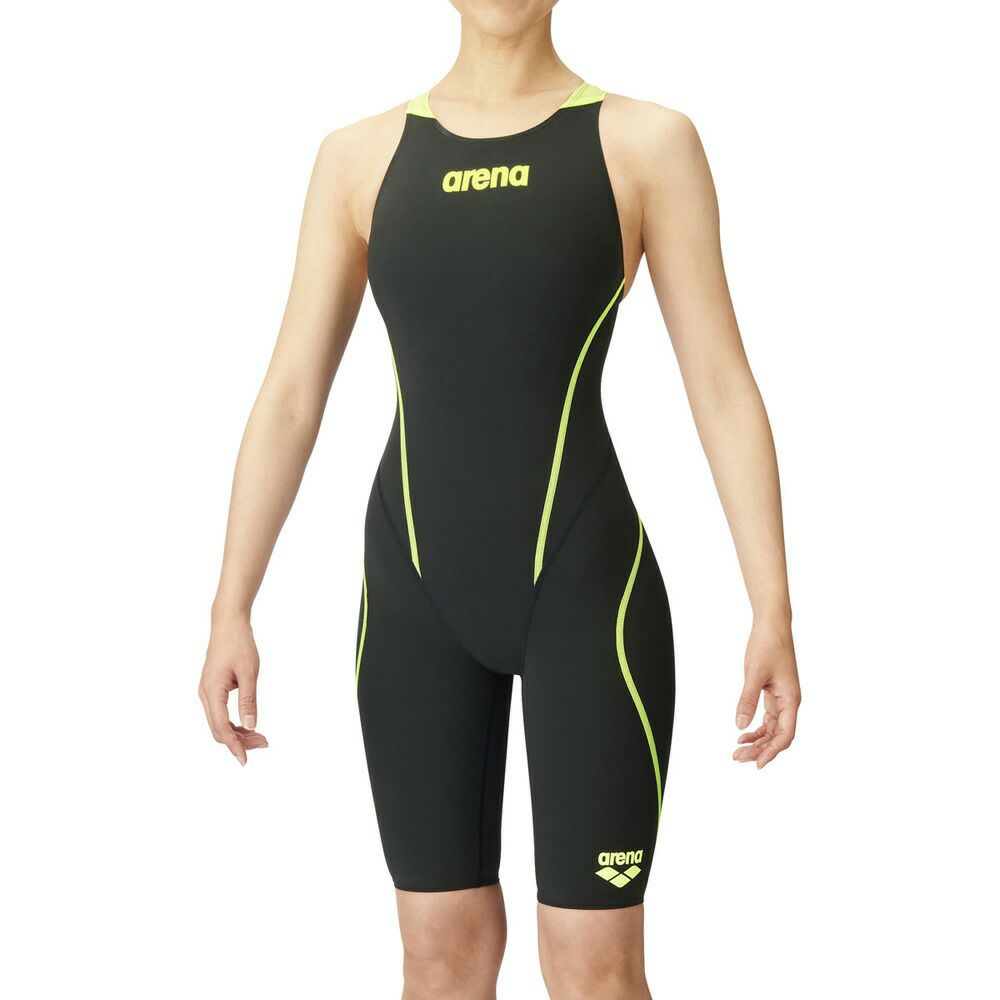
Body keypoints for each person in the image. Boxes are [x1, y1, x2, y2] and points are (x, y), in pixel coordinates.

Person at [197, 1, 801, 996]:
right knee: (440, 958)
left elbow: (721, 385)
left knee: (593, 967)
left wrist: (771, 605)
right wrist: (232, 604)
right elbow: (292, 391)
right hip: (414, 600)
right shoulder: (358, 158)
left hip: (587, 598)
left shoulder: (645, 142)